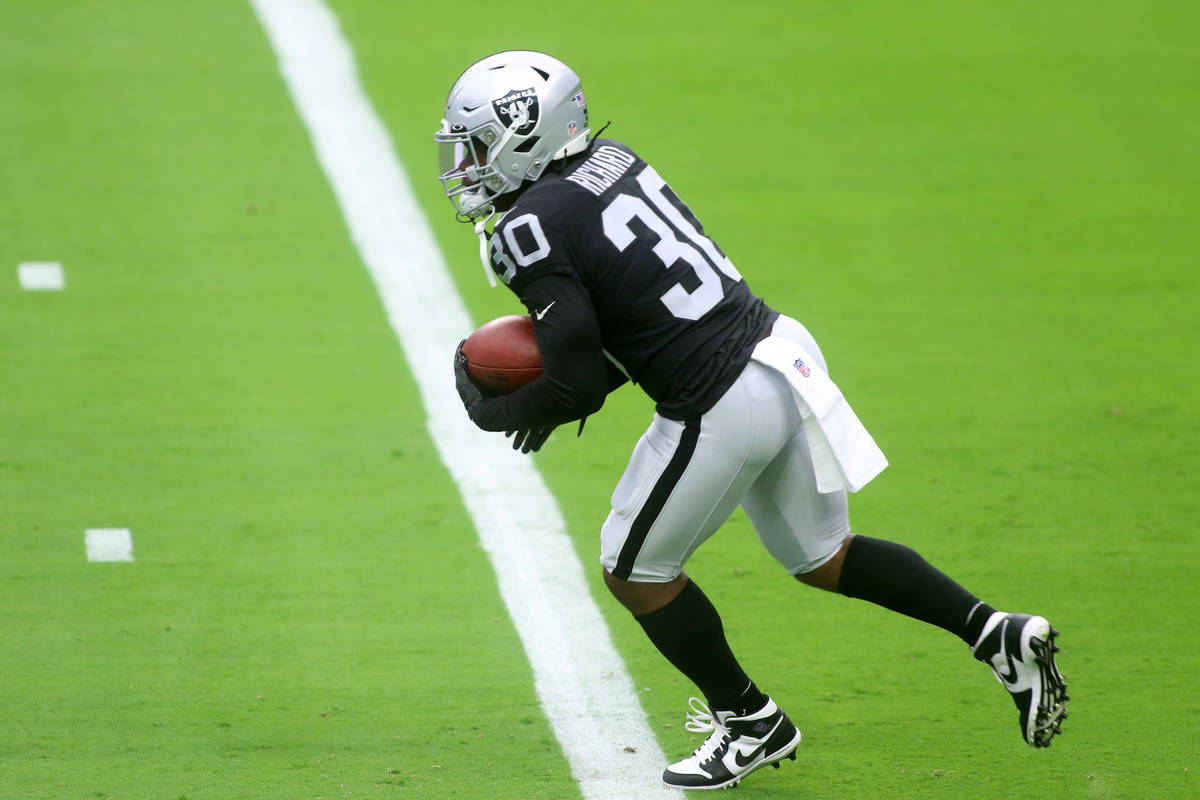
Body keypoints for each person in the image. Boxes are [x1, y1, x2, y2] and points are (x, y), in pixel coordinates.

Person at [437, 51, 1069, 791]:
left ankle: (749, 721)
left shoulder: (529, 226)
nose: (468, 164)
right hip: (778, 351)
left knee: (633, 571)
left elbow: (578, 384)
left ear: (523, 134)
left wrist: (497, 407)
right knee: (825, 554)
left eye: (476, 144)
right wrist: (562, 386)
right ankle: (996, 634)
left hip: (718, 401)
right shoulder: (610, 158)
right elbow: (634, 311)